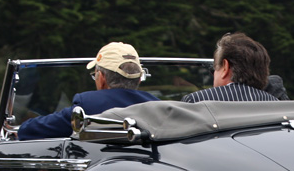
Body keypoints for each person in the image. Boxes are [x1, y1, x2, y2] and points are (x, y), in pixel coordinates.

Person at [17, 42, 158, 140]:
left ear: (101, 78)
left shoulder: (88, 105)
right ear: (139, 79)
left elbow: (31, 130)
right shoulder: (158, 108)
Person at [182, 32, 280, 103]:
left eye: (215, 68)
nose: (214, 73)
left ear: (225, 67)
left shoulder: (197, 101)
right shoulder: (276, 105)